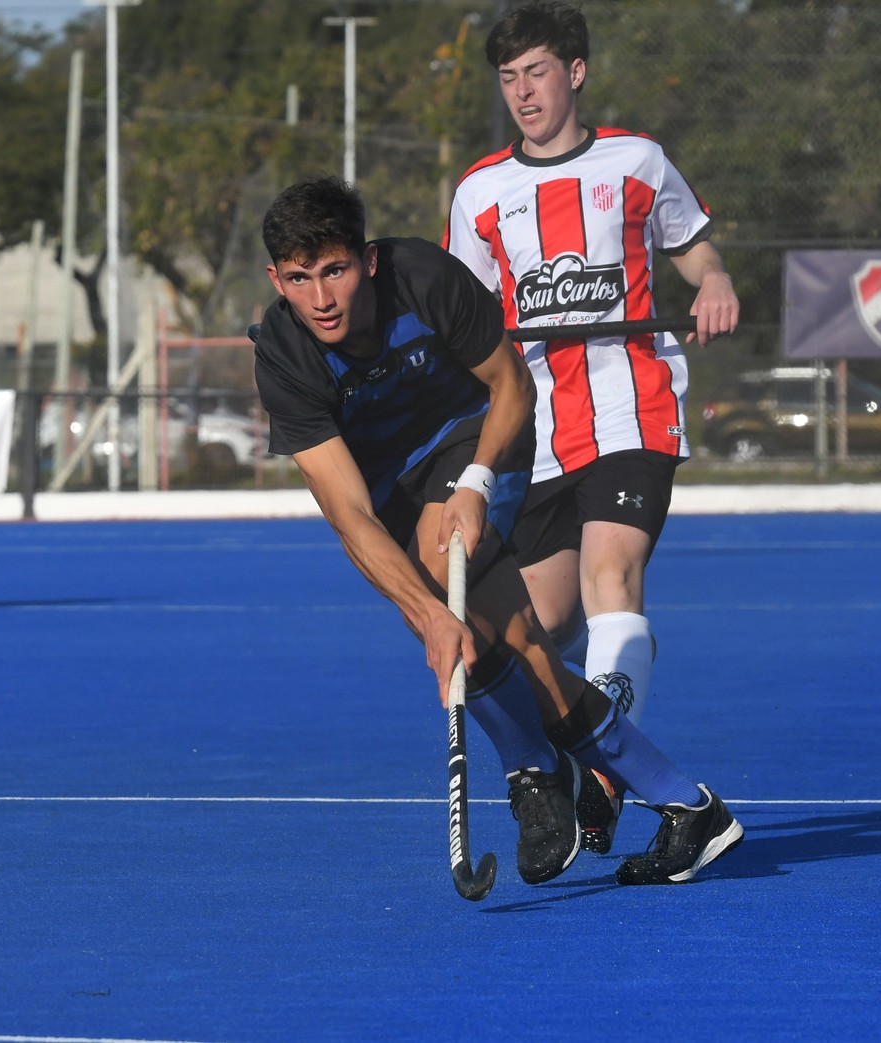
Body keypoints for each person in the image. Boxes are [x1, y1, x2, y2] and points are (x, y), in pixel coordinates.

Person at [253, 175, 741, 887]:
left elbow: (511, 383)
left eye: (334, 270)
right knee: (481, 638)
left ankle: (539, 773)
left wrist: (478, 480)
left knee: (446, 568)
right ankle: (663, 800)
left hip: (480, 436)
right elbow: (347, 511)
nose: (321, 298)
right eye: (299, 279)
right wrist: (423, 616)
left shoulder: (422, 276)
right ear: (276, 278)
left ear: (367, 260)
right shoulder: (284, 353)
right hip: (389, 484)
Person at [445, 2, 741, 735]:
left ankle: (611, 765)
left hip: (631, 405)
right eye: (508, 78)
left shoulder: (637, 160)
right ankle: (590, 714)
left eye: (536, 72)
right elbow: (465, 323)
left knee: (609, 573)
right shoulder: (477, 193)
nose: (522, 91)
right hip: (537, 430)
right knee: (534, 622)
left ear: (574, 73)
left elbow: (694, 247)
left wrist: (713, 281)